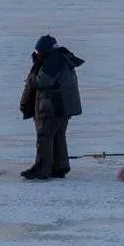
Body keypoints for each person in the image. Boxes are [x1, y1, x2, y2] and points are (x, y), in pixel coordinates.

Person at [19, 34, 83, 180]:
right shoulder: (60, 58)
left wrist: (32, 76)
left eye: (39, 53)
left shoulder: (54, 61)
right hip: (64, 106)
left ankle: (42, 169)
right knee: (57, 136)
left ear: (46, 51)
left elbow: (43, 81)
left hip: (56, 106)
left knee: (45, 136)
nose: (38, 56)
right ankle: (59, 167)